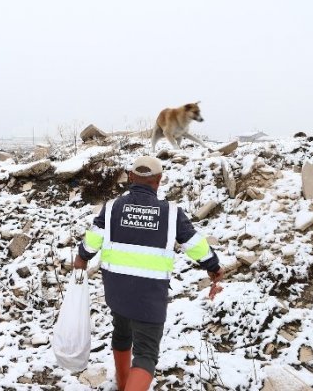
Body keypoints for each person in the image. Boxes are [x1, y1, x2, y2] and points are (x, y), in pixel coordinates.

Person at [73, 156, 224, 391]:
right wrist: (213, 266)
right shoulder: (171, 213)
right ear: (159, 180)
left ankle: (124, 384)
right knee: (146, 354)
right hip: (149, 296)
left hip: (117, 291)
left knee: (122, 334)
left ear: (131, 177)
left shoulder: (112, 207)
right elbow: (195, 245)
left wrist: (82, 257)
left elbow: (93, 239)